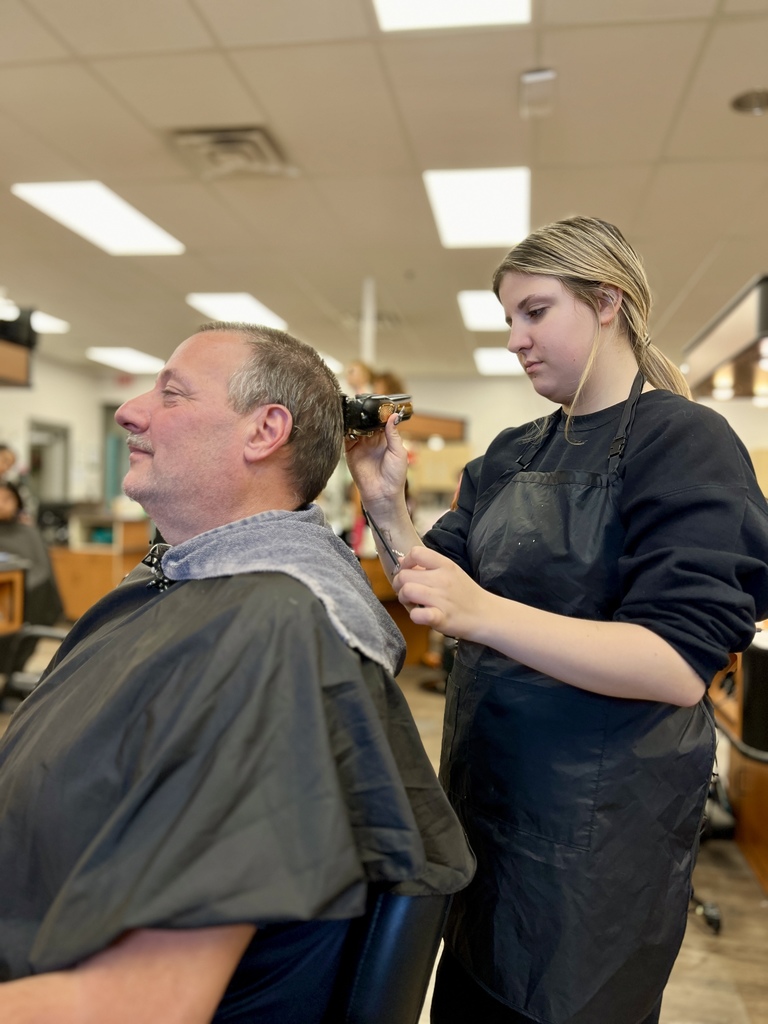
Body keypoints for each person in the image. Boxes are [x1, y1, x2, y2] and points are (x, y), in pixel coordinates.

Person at [345, 216, 768, 1024]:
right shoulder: (510, 453)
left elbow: (675, 666)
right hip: (485, 801)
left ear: (607, 302)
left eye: (534, 312)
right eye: (509, 318)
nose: (515, 339)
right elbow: (436, 587)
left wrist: (487, 611)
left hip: (597, 837)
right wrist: (385, 503)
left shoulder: (683, 443)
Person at [0, 323, 474, 1022]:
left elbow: (141, 1005)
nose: (131, 411)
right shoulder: (193, 590)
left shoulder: (274, 637)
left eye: (172, 393)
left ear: (264, 432)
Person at [0, 480, 63, 677]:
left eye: (7, 499)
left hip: (29, 598)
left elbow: (42, 571)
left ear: (17, 501)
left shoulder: (29, 533)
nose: (2, 504)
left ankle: (13, 673)